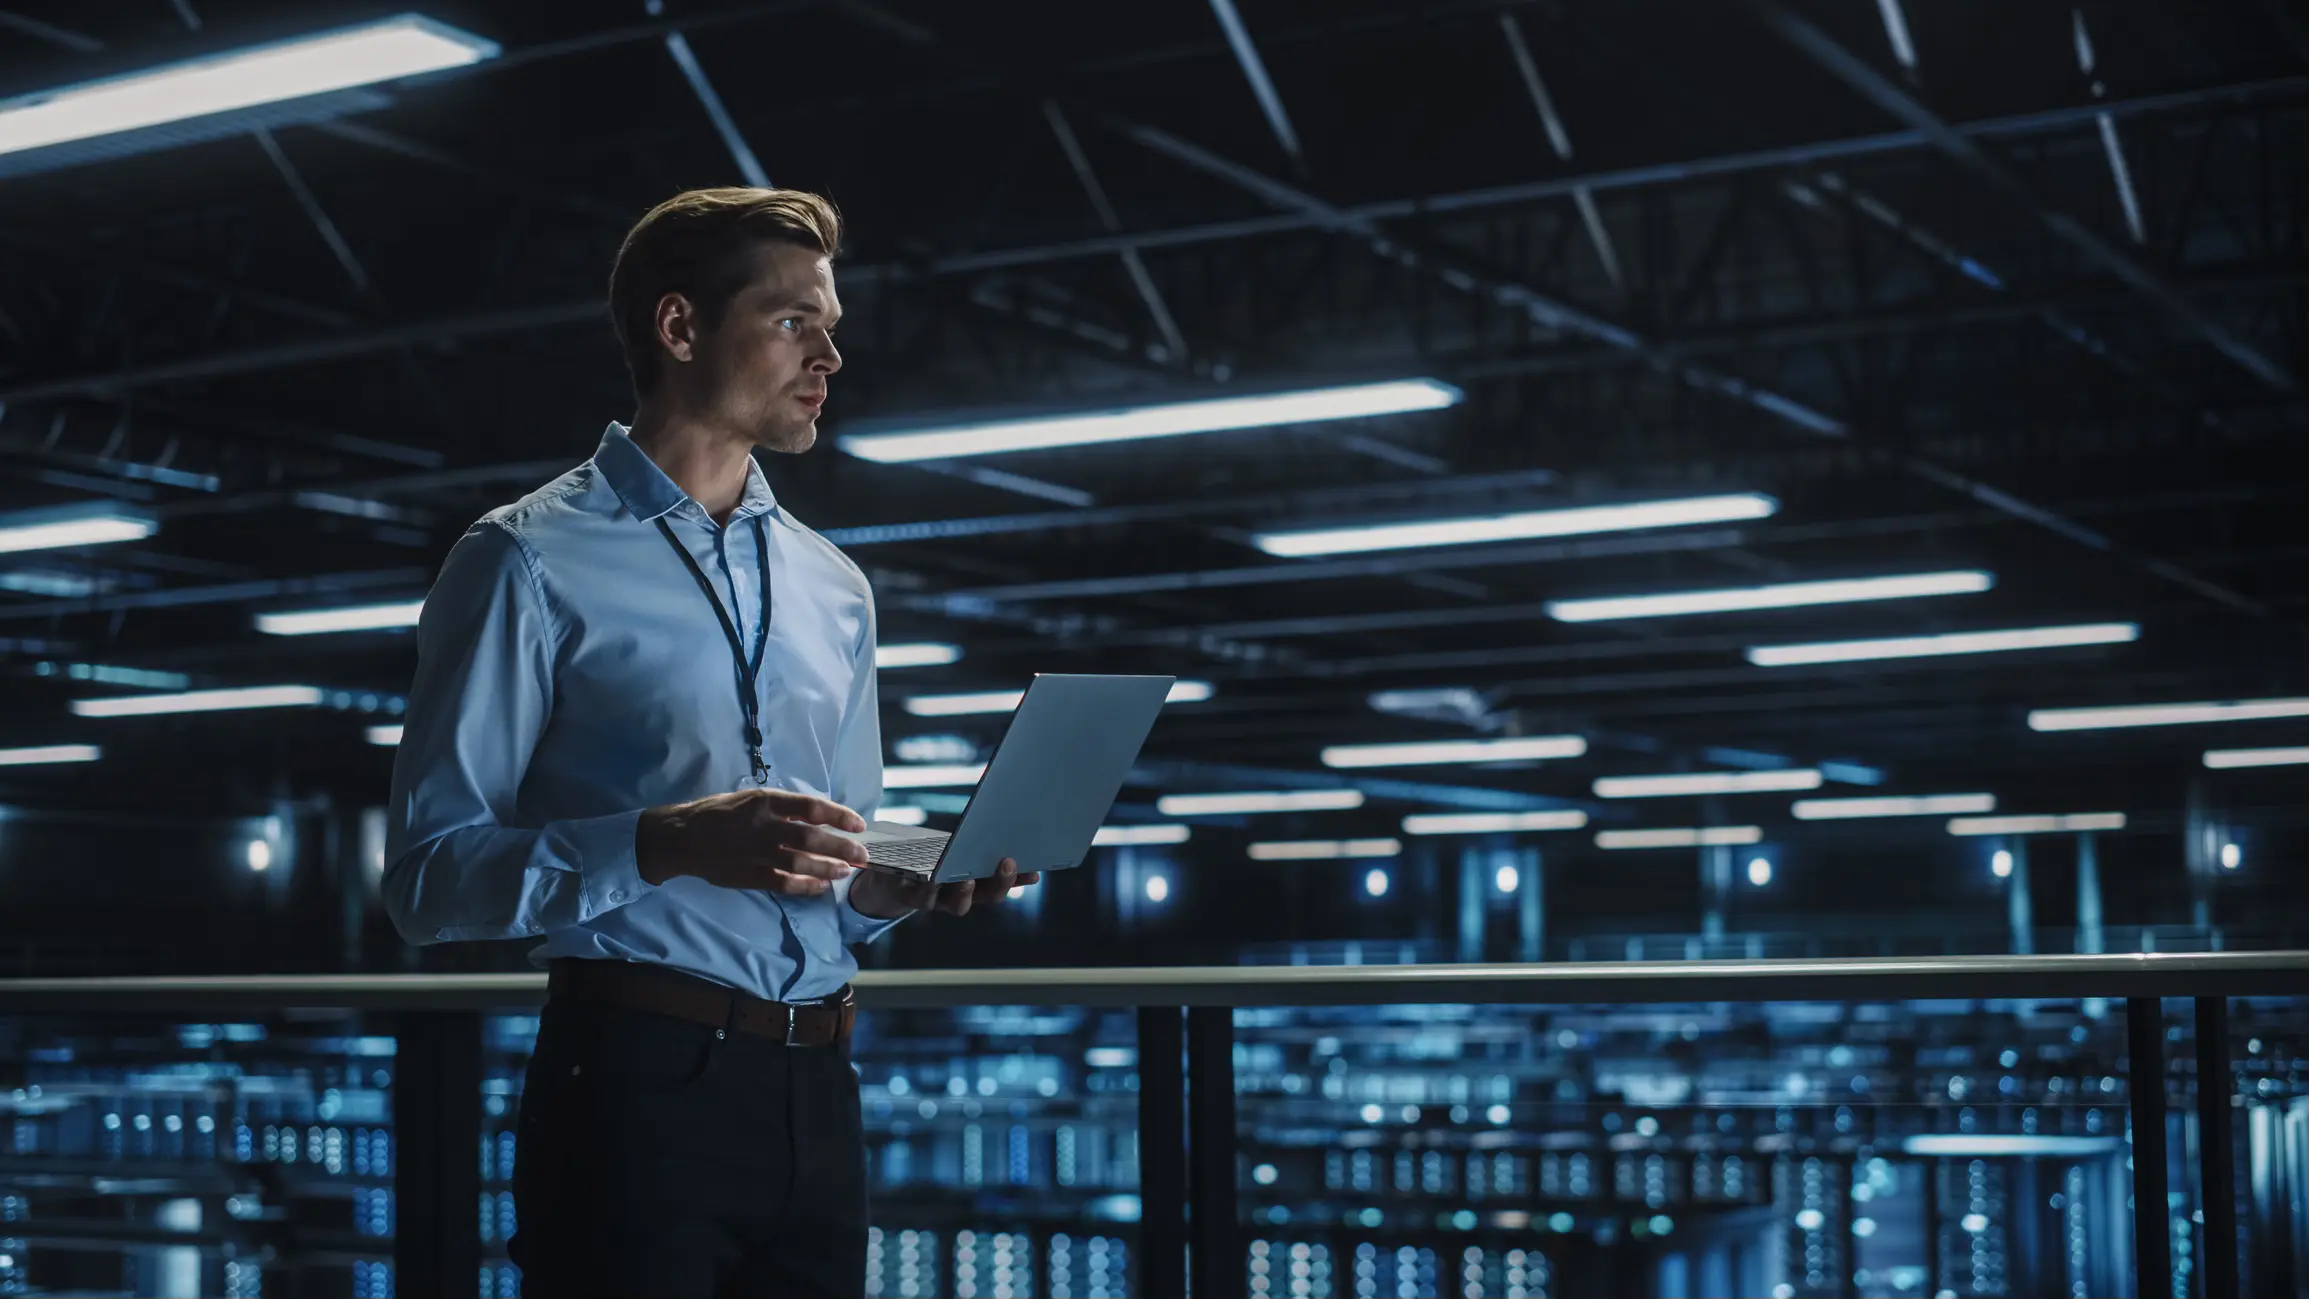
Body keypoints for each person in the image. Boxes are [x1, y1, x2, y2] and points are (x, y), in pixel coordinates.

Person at [380, 187, 1033, 1298]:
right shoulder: (525, 561)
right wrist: (664, 842)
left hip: (821, 1092)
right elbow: (429, 882)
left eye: (830, 324)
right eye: (792, 322)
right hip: (634, 1085)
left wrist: (898, 882)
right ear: (679, 329)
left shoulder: (835, 585)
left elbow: (840, 857)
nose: (829, 352)